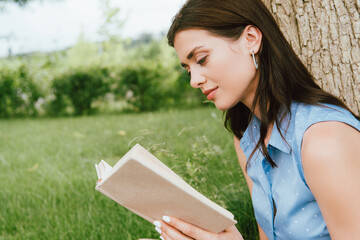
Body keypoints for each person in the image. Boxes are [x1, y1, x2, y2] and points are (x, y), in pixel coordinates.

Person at [142, 0, 360, 239]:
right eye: (188, 69)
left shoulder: (324, 139)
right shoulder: (247, 139)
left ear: (251, 39)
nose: (194, 80)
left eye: (202, 59)